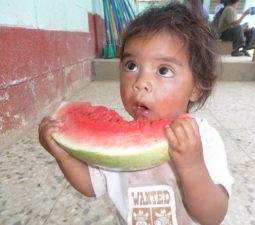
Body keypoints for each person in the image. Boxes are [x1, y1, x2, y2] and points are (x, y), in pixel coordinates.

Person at [38, 3, 233, 225]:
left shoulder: (205, 140)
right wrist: (63, 155)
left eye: (163, 70)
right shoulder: (116, 144)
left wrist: (192, 165)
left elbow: (213, 216)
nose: (140, 83)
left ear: (197, 87)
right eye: (131, 66)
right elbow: (92, 187)